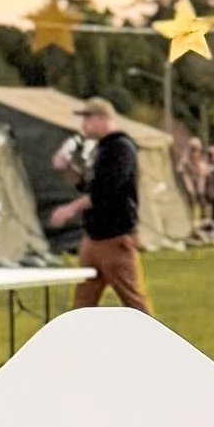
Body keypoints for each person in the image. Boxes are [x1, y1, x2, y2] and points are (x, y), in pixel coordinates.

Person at [47, 99, 152, 313]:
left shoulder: (120, 148)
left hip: (115, 237)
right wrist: (68, 169)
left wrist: (70, 210)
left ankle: (155, 343)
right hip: (94, 237)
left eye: (88, 118)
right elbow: (88, 186)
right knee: (82, 305)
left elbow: (107, 191)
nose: (83, 124)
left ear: (103, 119)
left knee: (134, 302)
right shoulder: (101, 150)